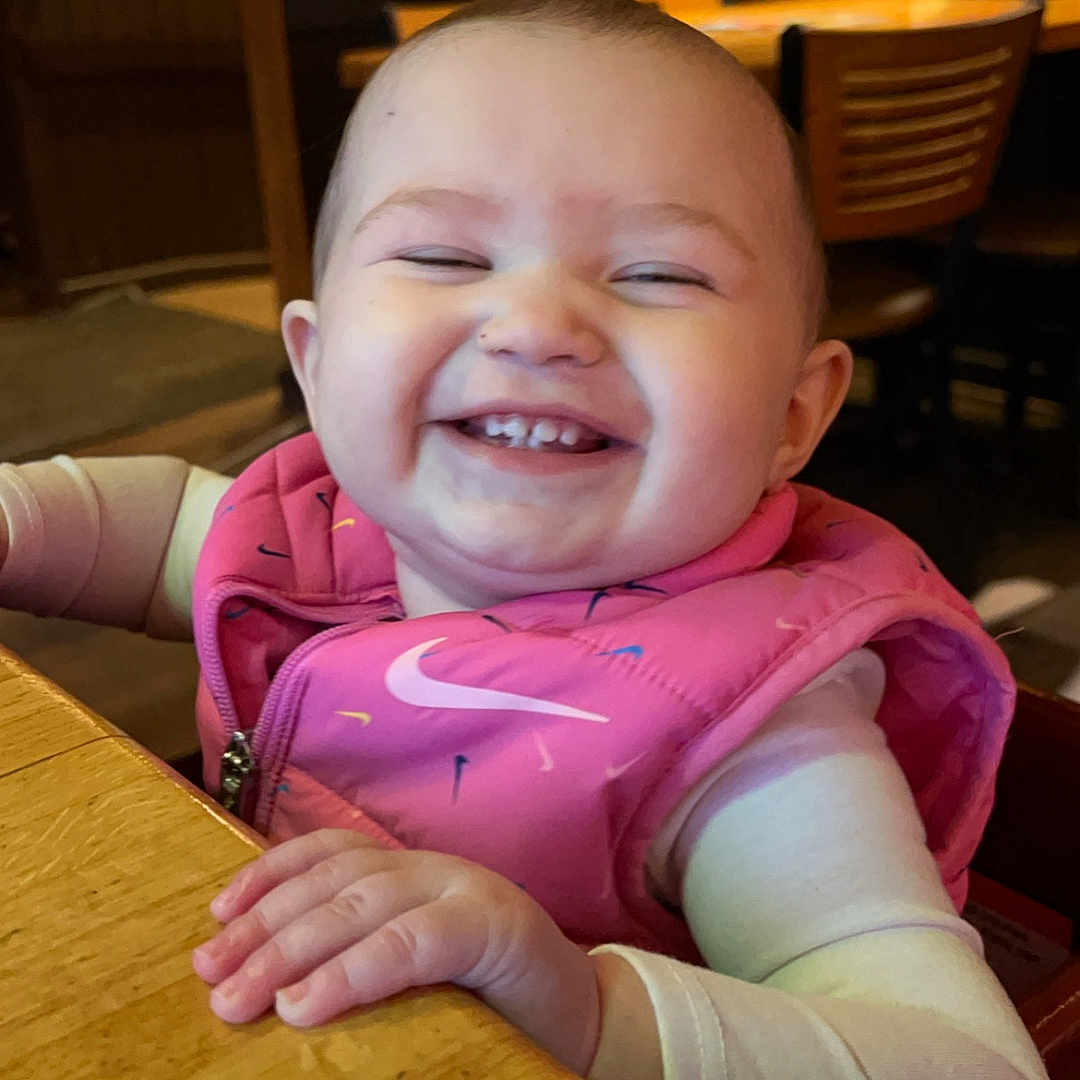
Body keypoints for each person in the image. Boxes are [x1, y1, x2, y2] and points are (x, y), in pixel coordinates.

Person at [0, 1, 1048, 1076]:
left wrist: (583, 1004)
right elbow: (164, 526)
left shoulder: (751, 733)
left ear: (793, 415)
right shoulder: (330, 523)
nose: (540, 327)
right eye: (446, 256)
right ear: (317, 363)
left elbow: (968, 1061)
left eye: (659, 273)